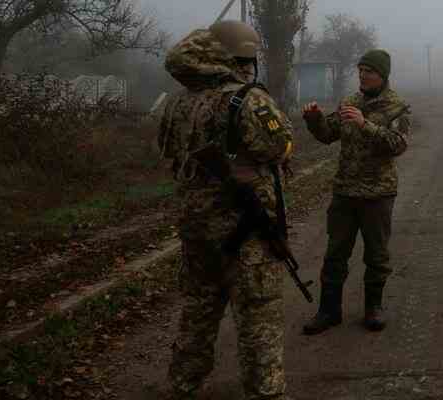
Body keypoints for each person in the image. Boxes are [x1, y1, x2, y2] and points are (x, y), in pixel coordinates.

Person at [157, 20, 294, 400]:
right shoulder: (247, 99)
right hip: (247, 231)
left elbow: (169, 152)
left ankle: (183, 384)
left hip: (197, 230)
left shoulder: (177, 101)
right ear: (245, 57)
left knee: (198, 312)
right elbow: (280, 146)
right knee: (258, 317)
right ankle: (267, 392)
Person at [300, 49, 412, 335]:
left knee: (376, 255)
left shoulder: (396, 106)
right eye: (360, 70)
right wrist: (314, 119)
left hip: (378, 194)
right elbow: (327, 134)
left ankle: (373, 308)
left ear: (382, 75)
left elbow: (398, 145)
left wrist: (366, 125)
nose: (362, 75)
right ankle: (328, 311)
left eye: (369, 71)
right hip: (345, 192)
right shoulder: (349, 102)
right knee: (335, 253)